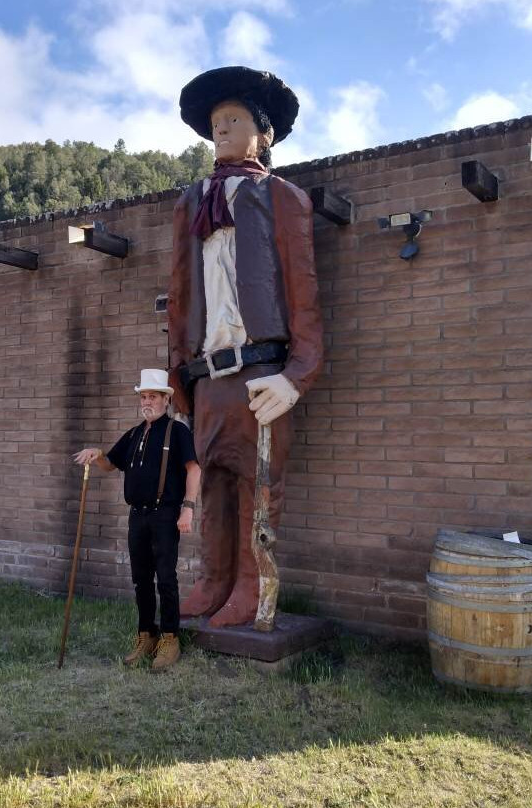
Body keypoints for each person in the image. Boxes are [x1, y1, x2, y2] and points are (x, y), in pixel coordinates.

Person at [167, 66, 323, 628]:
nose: (222, 131)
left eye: (233, 120)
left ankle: (252, 590)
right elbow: (180, 293)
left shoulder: (282, 199)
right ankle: (212, 580)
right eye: (215, 124)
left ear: (266, 134)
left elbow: (303, 294)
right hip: (207, 376)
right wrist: (179, 376)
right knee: (212, 483)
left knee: (257, 490)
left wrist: (296, 375)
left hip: (262, 374)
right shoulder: (191, 204)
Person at [73, 368, 200, 671]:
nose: (147, 401)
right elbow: (110, 464)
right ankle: (147, 635)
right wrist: (97, 453)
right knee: (141, 580)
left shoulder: (177, 431)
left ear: (165, 400)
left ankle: (170, 638)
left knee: (166, 579)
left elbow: (194, 469)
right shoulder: (133, 434)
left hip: (165, 515)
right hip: (137, 516)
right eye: (143, 396)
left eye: (152, 396)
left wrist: (188, 507)